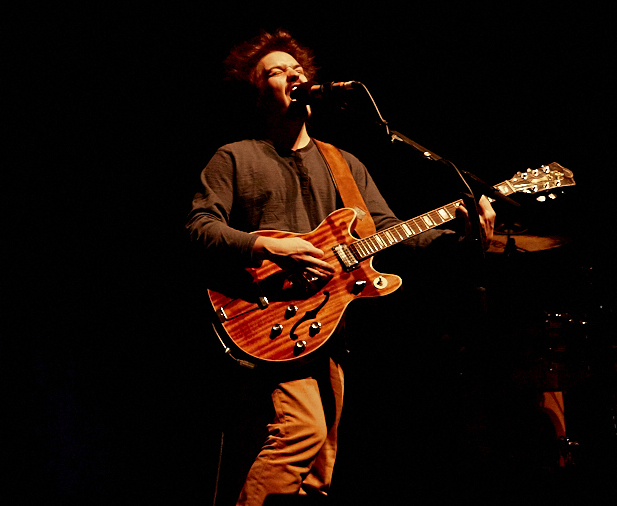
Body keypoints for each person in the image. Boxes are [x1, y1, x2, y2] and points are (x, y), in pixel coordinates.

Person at [186, 29, 493, 506]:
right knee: (301, 432)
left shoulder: (344, 163)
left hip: (325, 327)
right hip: (266, 318)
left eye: (297, 68)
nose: (293, 75)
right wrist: (267, 245)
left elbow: (389, 230)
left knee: (319, 469)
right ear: (257, 91)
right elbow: (199, 227)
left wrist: (461, 234)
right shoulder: (235, 156)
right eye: (276, 71)